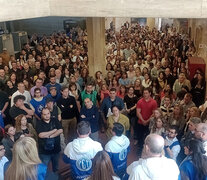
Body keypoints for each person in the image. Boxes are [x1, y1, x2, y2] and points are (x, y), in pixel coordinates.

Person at [36, 108, 63, 172]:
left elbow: (60, 130)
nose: (47, 115)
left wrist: (50, 136)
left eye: (48, 113)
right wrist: (53, 131)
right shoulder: (39, 123)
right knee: (43, 169)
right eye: (45, 114)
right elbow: (40, 135)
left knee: (56, 168)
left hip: (56, 149)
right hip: (44, 152)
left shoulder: (55, 120)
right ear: (42, 115)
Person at [136, 87, 157, 154]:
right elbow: (138, 112)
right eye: (144, 93)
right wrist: (143, 120)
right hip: (140, 122)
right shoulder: (140, 101)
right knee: (140, 137)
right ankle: (139, 149)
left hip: (150, 123)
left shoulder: (154, 102)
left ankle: (147, 150)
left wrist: (147, 121)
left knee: (148, 138)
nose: (145, 94)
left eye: (146, 93)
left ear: (150, 93)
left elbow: (154, 113)